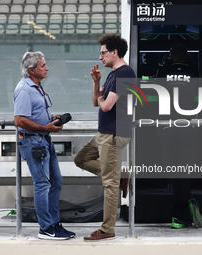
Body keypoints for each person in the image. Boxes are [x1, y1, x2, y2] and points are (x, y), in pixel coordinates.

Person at [74, 34, 136, 241]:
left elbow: (106, 105)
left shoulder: (124, 73)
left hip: (113, 134)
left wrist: (101, 98)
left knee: (110, 183)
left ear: (114, 52)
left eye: (103, 53)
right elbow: (96, 101)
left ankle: (107, 229)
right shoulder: (112, 75)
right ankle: (120, 176)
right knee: (80, 159)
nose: (100, 57)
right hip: (105, 132)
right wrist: (96, 82)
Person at [13, 51, 75, 240]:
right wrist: (43, 127)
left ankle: (55, 223)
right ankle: (46, 228)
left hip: (43, 138)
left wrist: (52, 119)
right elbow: (19, 120)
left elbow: (34, 113)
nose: (47, 68)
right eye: (43, 66)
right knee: (42, 184)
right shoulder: (24, 89)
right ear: (32, 70)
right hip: (33, 141)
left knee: (56, 182)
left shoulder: (37, 87)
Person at [156, 43, 202, 229]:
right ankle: (187, 202)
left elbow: (155, 98)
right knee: (184, 170)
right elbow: (201, 99)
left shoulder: (162, 71)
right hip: (190, 127)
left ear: (171, 56)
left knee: (172, 171)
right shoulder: (195, 73)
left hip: (168, 127)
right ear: (187, 57)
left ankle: (179, 214)